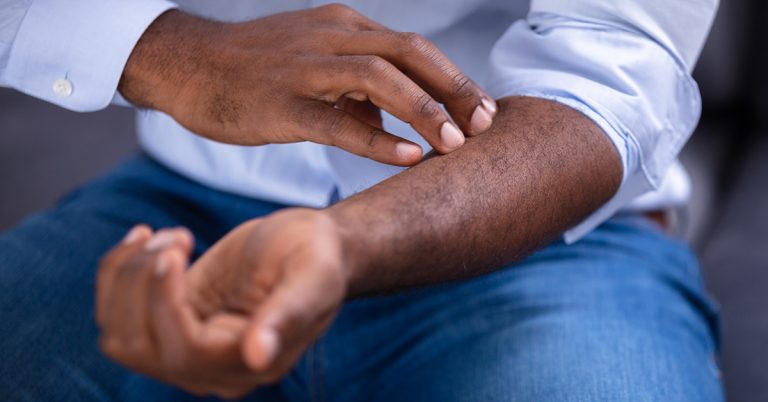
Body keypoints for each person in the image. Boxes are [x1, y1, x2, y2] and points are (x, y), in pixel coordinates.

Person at [0, 0, 722, 401]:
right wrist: (170, 54)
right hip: (184, 195)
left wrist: (344, 242)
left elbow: (610, 74)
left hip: (545, 232)